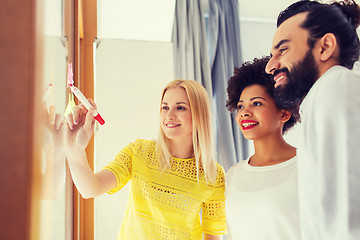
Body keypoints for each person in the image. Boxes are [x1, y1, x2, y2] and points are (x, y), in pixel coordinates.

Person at [63, 80, 226, 240]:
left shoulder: (214, 175)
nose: (169, 115)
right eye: (165, 107)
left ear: (200, 114)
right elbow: (90, 188)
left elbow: (213, 236)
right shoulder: (139, 152)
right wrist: (74, 148)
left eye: (180, 107)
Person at [265, 1, 360, 239]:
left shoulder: (337, 88)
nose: (270, 66)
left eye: (282, 50)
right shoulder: (323, 100)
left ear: (325, 47)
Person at [225, 56, 301, 239]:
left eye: (257, 103)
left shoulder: (308, 166)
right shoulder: (233, 175)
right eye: (240, 106)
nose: (244, 113)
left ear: (284, 113)